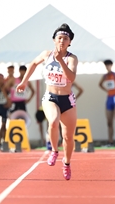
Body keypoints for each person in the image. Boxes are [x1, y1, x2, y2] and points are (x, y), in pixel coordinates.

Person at [17, 23, 79, 180]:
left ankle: (67, 162)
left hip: (67, 100)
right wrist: (24, 81)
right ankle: (54, 151)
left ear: (70, 42)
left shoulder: (71, 58)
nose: (62, 41)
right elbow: (32, 64)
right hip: (50, 97)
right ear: (54, 40)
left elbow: (71, 78)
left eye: (66, 38)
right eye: (59, 38)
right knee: (53, 122)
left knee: (68, 137)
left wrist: (61, 61)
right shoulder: (46, 54)